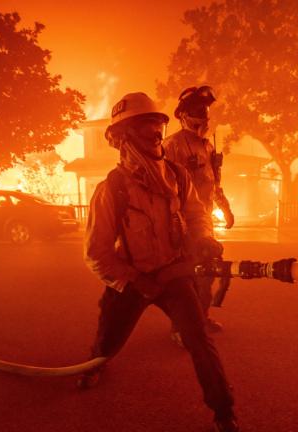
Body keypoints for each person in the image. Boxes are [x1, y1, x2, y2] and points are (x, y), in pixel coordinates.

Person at [79, 92, 239, 432]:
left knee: (199, 341)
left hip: (172, 277)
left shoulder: (178, 177)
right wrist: (135, 281)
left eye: (157, 124)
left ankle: (224, 413)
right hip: (132, 280)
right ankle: (95, 365)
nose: (155, 133)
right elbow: (97, 253)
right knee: (108, 342)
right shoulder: (112, 189)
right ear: (122, 138)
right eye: (144, 126)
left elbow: (197, 216)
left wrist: (204, 239)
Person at [163, 85, 234, 343]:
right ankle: (180, 328)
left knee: (208, 272)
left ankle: (201, 317)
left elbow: (214, 182)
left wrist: (225, 208)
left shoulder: (207, 146)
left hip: (205, 222)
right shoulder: (171, 146)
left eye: (204, 110)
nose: (202, 115)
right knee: (186, 277)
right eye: (196, 110)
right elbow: (164, 188)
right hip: (183, 223)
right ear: (182, 115)